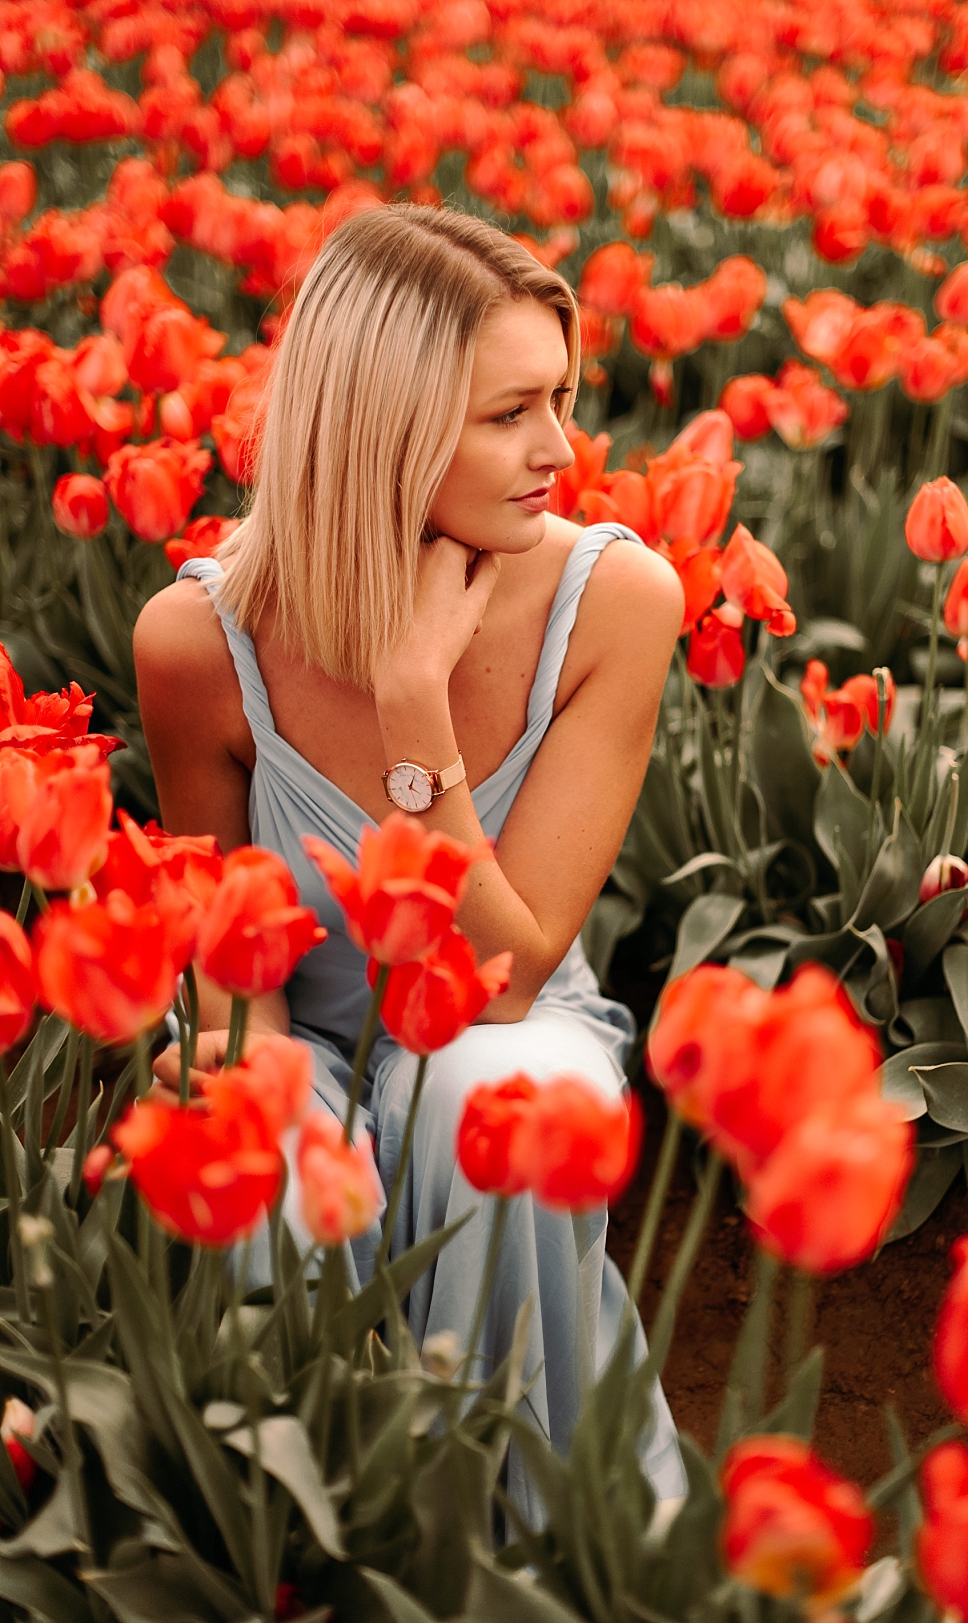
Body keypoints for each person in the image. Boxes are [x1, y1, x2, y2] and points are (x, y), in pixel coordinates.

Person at [134, 203, 686, 1523]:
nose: (562, 449)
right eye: (511, 414)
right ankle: (339, 1542)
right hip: (307, 1037)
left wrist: (413, 711)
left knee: (497, 1087)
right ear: (382, 427)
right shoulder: (197, 646)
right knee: (258, 1151)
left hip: (503, 1017)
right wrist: (243, 1062)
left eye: (562, 397)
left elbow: (503, 974)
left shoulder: (614, 601)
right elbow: (229, 956)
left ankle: (583, 1540)